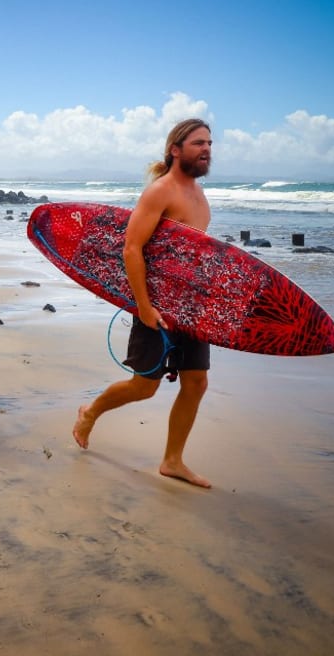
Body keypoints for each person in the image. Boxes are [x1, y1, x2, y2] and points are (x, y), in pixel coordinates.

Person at [71, 118, 214, 488]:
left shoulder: (200, 196)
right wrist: (145, 307)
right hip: (157, 306)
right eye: (198, 143)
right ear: (175, 149)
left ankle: (172, 460)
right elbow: (132, 248)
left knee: (196, 383)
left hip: (191, 308)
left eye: (210, 144)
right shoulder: (160, 191)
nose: (206, 149)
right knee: (144, 386)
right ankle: (91, 411)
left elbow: (194, 255)